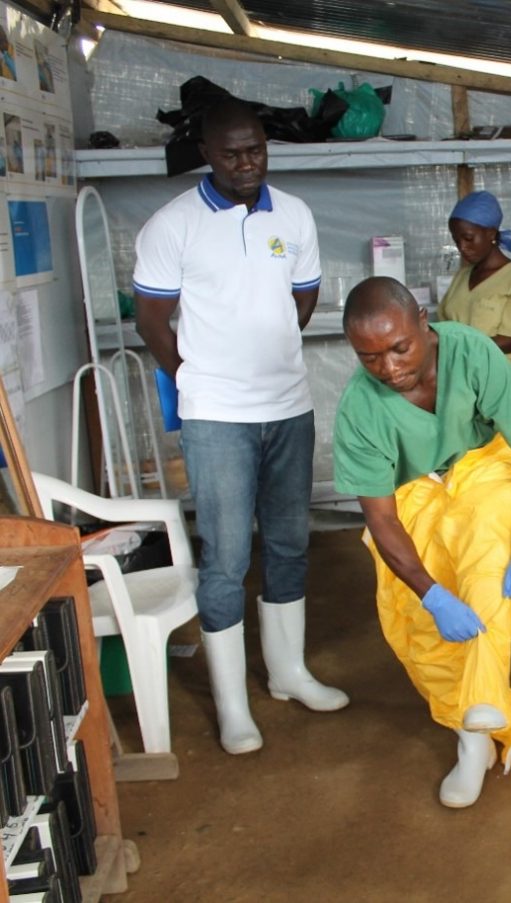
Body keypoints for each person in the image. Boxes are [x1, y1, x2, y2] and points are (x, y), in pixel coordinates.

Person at [333, 277, 511, 809]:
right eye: (369, 358)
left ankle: (478, 711)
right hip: (416, 493)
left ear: (422, 320)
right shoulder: (359, 408)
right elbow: (382, 519)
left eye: (399, 348)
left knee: (485, 553)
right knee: (416, 624)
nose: (389, 368)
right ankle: (474, 737)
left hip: (488, 465)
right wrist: (431, 595)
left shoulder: (470, 351)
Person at [133, 98, 348, 756]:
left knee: (288, 543)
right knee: (226, 558)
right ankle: (233, 707)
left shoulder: (295, 213)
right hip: (216, 417)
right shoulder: (171, 226)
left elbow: (303, 296)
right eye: (232, 153)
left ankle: (289, 672)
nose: (248, 162)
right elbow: (151, 319)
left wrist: (270, 344)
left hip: (287, 404)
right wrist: (197, 376)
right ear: (206, 154)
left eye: (256, 149)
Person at [438, 190, 511, 383]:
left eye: (468, 238)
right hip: (462, 382)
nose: (462, 247)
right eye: (456, 240)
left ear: (491, 233)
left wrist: (461, 350)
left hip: (499, 381)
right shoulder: (462, 276)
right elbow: (445, 328)